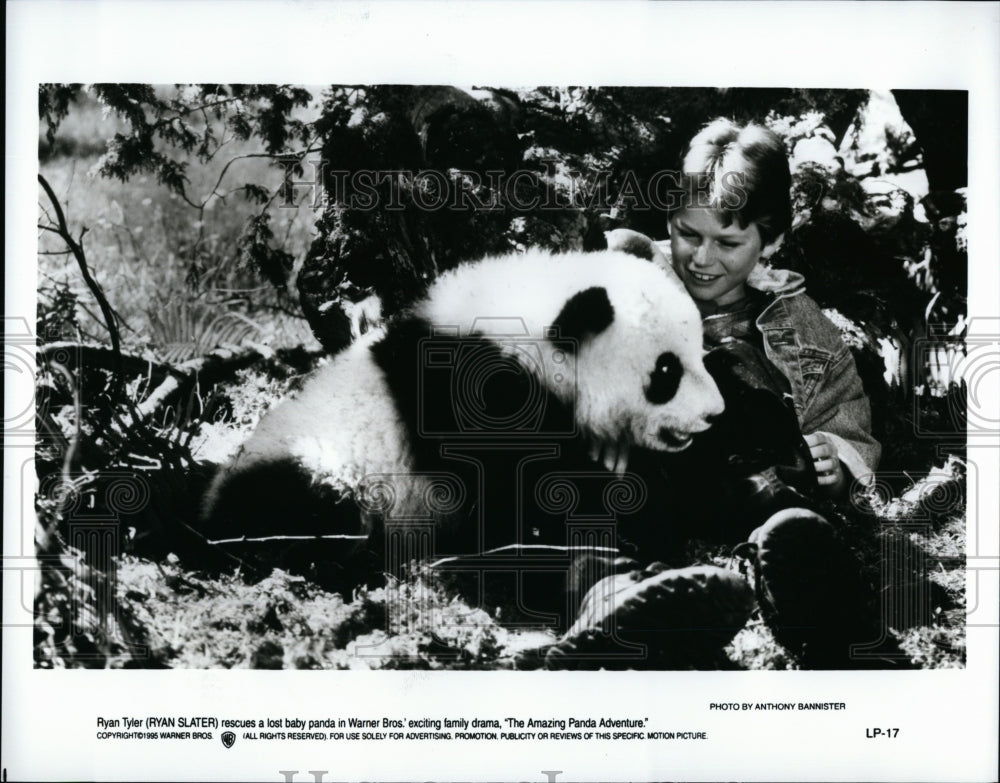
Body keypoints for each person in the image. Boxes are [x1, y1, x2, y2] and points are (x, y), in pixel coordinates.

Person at [546, 119, 893, 670]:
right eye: (689, 233)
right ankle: (612, 594)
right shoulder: (633, 267)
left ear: (773, 239)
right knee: (591, 500)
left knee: (777, 483)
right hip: (634, 471)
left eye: (729, 243)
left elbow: (848, 416)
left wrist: (837, 457)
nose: (702, 259)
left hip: (738, 484)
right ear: (670, 221)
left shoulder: (805, 328)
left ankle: (813, 594)